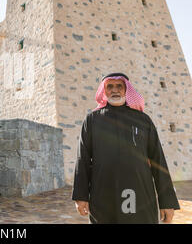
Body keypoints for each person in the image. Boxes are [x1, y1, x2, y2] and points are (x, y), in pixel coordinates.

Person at [71, 72, 180, 224]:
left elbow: (158, 160)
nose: (114, 90)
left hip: (140, 195)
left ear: (126, 90)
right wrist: (81, 196)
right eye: (110, 87)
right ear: (104, 91)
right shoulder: (92, 120)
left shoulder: (143, 120)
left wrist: (167, 201)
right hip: (103, 195)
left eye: (119, 86)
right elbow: (82, 159)